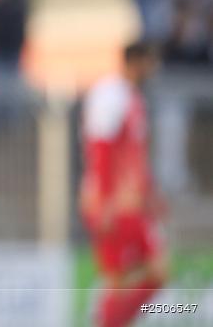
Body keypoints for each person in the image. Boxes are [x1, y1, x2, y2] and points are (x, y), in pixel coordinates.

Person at [79, 42, 168, 327]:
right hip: (115, 204)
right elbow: (100, 149)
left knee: (154, 272)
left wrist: (151, 192)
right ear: (137, 62)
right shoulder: (110, 95)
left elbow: (135, 154)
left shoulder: (132, 98)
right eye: (150, 62)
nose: (153, 70)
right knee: (122, 279)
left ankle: (107, 320)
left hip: (133, 202)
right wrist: (104, 201)